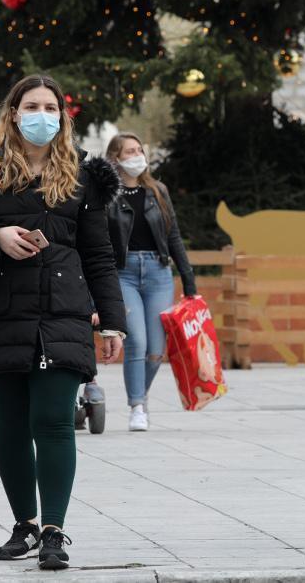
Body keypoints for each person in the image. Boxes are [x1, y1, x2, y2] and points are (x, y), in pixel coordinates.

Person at [0, 74, 127, 570]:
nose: (42, 114)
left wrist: (113, 323)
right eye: (31, 105)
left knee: (55, 422)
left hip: (62, 313)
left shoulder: (85, 175)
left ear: (63, 115)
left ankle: (53, 531)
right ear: (13, 113)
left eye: (51, 106)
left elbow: (100, 255)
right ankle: (23, 522)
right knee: (13, 426)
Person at [105, 132, 197, 431]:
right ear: (115, 158)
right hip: (124, 273)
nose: (137, 156)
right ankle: (137, 406)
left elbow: (173, 236)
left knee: (157, 349)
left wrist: (189, 280)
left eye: (139, 150)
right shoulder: (109, 195)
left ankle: (140, 394)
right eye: (129, 152)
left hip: (158, 273)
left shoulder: (158, 191)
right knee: (138, 342)